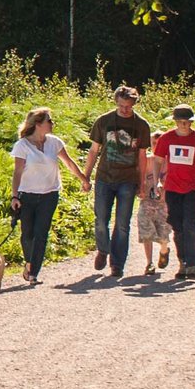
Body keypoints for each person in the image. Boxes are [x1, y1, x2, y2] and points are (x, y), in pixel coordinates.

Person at [9, 105, 87, 283]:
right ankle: (29, 262)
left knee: (41, 233)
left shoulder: (54, 142)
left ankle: (34, 273)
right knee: (27, 234)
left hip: (49, 195)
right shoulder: (22, 146)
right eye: (49, 121)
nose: (52, 123)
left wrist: (84, 179)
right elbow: (17, 172)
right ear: (38, 124)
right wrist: (15, 196)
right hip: (27, 195)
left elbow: (69, 163)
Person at [82, 85, 155, 273]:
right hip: (105, 177)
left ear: (134, 105)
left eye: (128, 107)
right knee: (101, 220)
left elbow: (142, 156)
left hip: (128, 179)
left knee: (122, 224)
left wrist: (142, 183)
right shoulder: (104, 121)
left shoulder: (141, 125)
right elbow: (93, 151)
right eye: (122, 106)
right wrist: (86, 176)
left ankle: (117, 264)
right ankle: (103, 250)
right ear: (116, 102)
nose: (125, 110)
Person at [151, 105, 195, 282]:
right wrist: (156, 183)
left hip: (193, 187)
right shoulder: (166, 139)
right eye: (180, 122)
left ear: (191, 122)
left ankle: (192, 263)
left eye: (187, 122)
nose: (183, 125)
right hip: (173, 187)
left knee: (190, 224)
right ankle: (182, 262)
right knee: (177, 226)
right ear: (175, 121)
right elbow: (158, 161)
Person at [136, 162, 173, 271]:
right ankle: (149, 263)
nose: (155, 146)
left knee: (163, 233)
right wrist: (139, 190)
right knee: (146, 230)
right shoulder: (146, 161)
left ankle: (164, 251)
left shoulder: (170, 161)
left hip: (164, 203)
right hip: (147, 201)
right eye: (153, 143)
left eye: (158, 143)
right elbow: (138, 180)